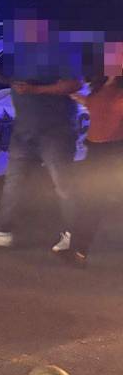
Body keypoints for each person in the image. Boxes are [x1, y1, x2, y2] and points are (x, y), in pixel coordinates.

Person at [0, 18, 81, 251]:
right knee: (14, 183)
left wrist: (36, 89)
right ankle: (1, 230)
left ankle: (73, 235)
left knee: (64, 184)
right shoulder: (21, 58)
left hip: (54, 131)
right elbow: (16, 84)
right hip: (25, 131)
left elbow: (73, 84)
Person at [65, 68, 123, 265]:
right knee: (91, 202)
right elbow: (94, 105)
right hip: (94, 152)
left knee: (96, 201)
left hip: (112, 152)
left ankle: (79, 249)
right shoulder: (100, 85)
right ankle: (79, 250)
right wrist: (76, 97)